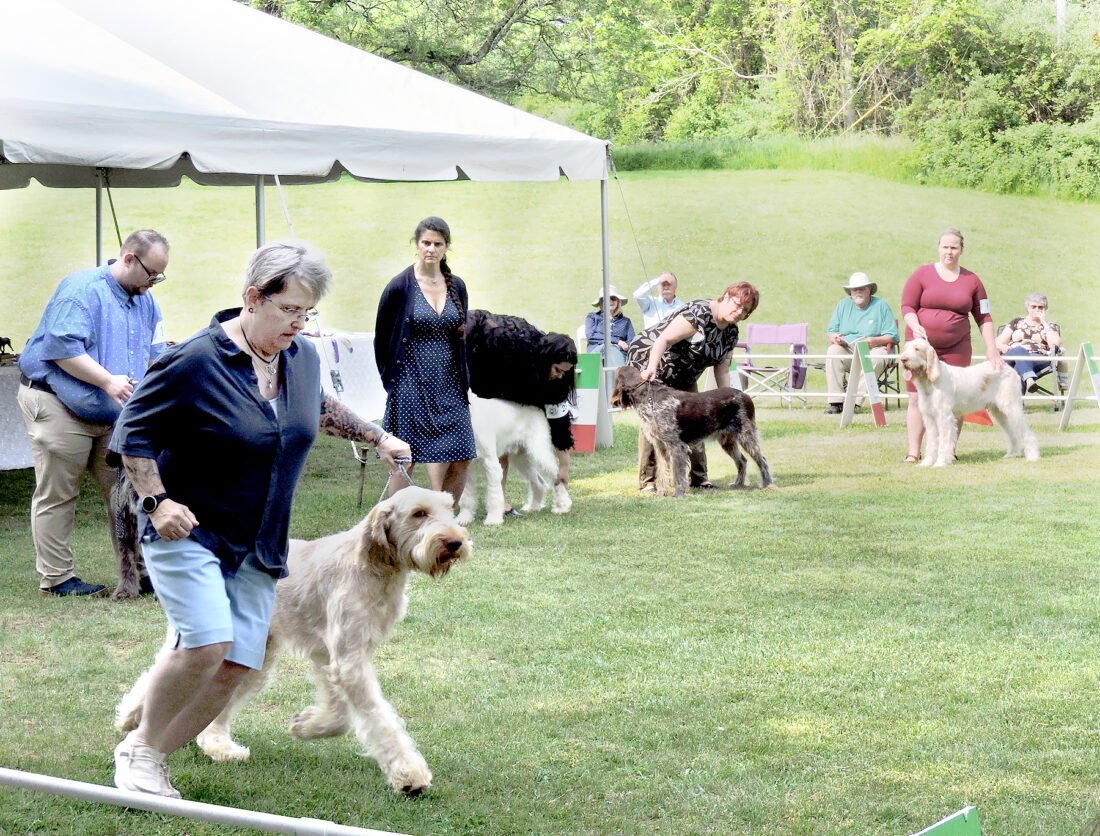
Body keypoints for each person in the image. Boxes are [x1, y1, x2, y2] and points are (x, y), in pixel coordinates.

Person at [108, 241, 410, 799]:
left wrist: (379, 436)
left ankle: (146, 753)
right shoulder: (195, 359)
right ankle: (141, 753)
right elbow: (133, 433)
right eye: (289, 309)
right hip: (192, 531)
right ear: (253, 297)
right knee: (206, 643)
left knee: (236, 666)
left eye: (307, 312)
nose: (299, 323)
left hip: (260, 543)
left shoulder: (299, 358)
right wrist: (158, 502)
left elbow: (316, 407)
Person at [16, 229, 170, 597]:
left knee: (128, 491)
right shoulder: (82, 290)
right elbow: (60, 348)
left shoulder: (147, 302)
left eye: (159, 277)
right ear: (129, 258)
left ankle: (140, 572)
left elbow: (157, 356)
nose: (153, 283)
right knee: (58, 492)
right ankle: (57, 579)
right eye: (151, 274)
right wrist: (108, 381)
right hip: (56, 402)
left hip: (112, 414)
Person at [375, 216, 475, 501]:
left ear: (446, 247)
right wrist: (392, 383)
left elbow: (460, 333)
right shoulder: (399, 287)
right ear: (416, 245)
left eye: (438, 244)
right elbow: (382, 339)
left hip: (450, 384)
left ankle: (442, 519)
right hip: (410, 383)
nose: (431, 249)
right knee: (404, 459)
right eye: (426, 243)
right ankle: (392, 524)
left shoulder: (457, 286)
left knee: (462, 453)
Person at [627, 281, 760, 492]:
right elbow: (663, 340)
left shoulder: (731, 333)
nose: (739, 312)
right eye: (737, 304)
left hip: (686, 371)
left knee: (698, 416)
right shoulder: (699, 313)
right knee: (656, 423)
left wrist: (728, 404)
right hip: (652, 359)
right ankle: (649, 481)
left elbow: (722, 371)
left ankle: (699, 478)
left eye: (745, 310)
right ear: (725, 296)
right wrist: (650, 368)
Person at [900, 228, 1003, 463]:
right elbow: (907, 307)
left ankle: (948, 452)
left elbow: (983, 316)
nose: (949, 251)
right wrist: (915, 325)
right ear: (938, 248)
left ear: (961, 250)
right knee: (917, 398)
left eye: (954, 247)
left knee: (952, 400)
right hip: (921, 348)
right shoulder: (921, 274)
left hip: (956, 347)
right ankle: (914, 452)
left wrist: (991, 348)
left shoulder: (972, 280)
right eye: (945, 247)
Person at [466, 309, 578, 514]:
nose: (561, 377)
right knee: (498, 448)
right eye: (557, 370)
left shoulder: (557, 385)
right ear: (546, 360)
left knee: (532, 454)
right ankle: (497, 502)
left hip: (515, 399)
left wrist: (563, 468)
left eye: (565, 372)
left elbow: (561, 426)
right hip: (487, 365)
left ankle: (558, 495)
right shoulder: (516, 344)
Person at [823, 272, 900, 414]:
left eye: (862, 288)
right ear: (850, 292)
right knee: (833, 351)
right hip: (849, 347)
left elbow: (893, 336)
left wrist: (874, 341)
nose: (858, 292)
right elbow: (831, 331)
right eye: (854, 289)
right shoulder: (843, 305)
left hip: (874, 347)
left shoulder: (881, 305)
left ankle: (852, 402)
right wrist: (835, 338)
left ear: (869, 290)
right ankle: (836, 402)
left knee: (876, 358)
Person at [995, 293, 1062, 393]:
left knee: (1018, 368)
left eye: (1040, 307)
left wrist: (1043, 322)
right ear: (1028, 307)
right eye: (1033, 306)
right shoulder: (1017, 322)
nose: (1036, 309)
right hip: (1012, 356)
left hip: (1037, 358)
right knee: (1019, 350)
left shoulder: (1049, 326)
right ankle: (1029, 378)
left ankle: (1018, 406)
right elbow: (998, 342)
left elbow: (1055, 345)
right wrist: (1002, 346)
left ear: (1045, 309)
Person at [584, 285, 635, 368]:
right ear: (601, 302)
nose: (610, 301)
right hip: (596, 352)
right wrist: (617, 341)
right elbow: (591, 336)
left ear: (618, 301)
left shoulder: (626, 321)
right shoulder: (592, 317)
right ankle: (617, 379)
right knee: (608, 348)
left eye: (613, 298)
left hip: (618, 354)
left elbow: (632, 341)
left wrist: (622, 346)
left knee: (612, 351)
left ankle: (615, 378)